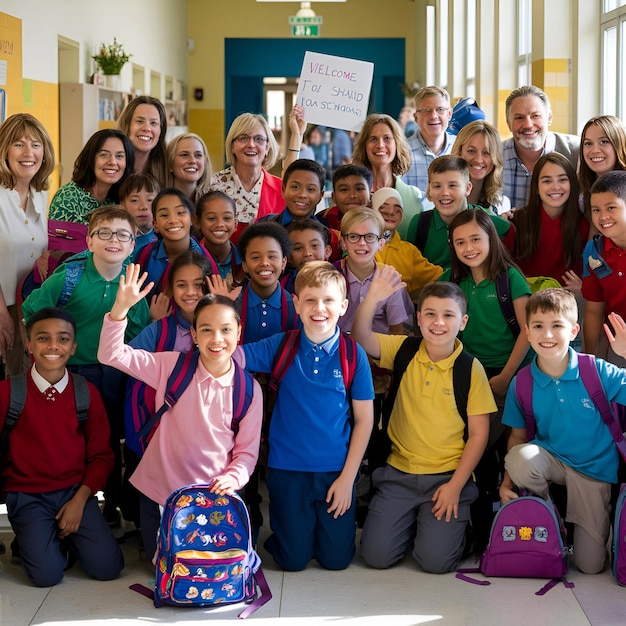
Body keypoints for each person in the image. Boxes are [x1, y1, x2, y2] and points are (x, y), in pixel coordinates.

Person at [98, 265, 263, 559]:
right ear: (194, 335)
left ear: (238, 333)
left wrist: (233, 478)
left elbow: (247, 453)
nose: (216, 339)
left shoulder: (248, 389)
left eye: (226, 330)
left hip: (212, 496)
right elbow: (111, 355)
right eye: (206, 330)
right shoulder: (170, 365)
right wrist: (119, 310)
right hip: (159, 491)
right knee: (166, 567)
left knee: (206, 571)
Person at [353, 272, 495, 573]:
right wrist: (374, 298)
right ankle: (414, 521)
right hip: (398, 474)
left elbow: (479, 437)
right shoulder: (403, 349)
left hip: (447, 478)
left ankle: (453, 530)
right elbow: (361, 336)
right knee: (376, 557)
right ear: (418, 318)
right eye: (430, 314)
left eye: (448, 315)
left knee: (435, 562)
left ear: (463, 322)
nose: (438, 322)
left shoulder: (471, 369)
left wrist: (456, 486)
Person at [237, 261, 374, 570]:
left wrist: (348, 478)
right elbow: (232, 356)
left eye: (328, 300)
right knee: (292, 561)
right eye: (310, 300)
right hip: (287, 471)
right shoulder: (281, 345)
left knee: (336, 560)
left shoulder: (353, 355)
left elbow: (365, 421)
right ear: (296, 304)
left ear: (343, 306)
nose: (319, 308)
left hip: (336, 472)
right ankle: (292, 535)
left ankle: (313, 532)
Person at [22, 205, 151, 525]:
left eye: (123, 235)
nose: (114, 240)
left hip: (114, 375)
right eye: (104, 233)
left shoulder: (133, 284)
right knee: (70, 437)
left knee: (108, 439)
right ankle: (67, 501)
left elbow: (140, 333)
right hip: (73, 372)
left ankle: (111, 506)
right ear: (90, 241)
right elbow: (32, 311)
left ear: (133, 245)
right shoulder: (68, 278)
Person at [500, 288, 626, 574]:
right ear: (527, 333)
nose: (547, 335)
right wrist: (507, 482)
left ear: (573, 331)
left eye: (557, 326)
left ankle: (584, 530)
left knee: (590, 566)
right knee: (521, 457)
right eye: (538, 327)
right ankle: (550, 517)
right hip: (551, 461)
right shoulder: (521, 382)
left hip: (594, 470)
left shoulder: (597, 370)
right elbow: (518, 438)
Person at [0, 307, 124, 586]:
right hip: (27, 495)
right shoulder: (8, 393)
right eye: (43, 338)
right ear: (29, 345)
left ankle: (57, 538)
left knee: (108, 567)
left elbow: (102, 456)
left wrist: (80, 501)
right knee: (46, 576)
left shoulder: (86, 392)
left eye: (63, 339)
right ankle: (35, 536)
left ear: (73, 346)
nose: (53, 345)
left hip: (74, 492)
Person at [442, 208, 531, 549]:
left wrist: (507, 376)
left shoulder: (510, 278)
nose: (469, 247)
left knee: (499, 449)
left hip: (510, 376)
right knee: (479, 451)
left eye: (476, 239)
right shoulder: (458, 281)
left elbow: (526, 331)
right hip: (473, 376)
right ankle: (480, 530)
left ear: (491, 239)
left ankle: (500, 526)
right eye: (460, 241)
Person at [0, 113, 55, 377]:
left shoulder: (41, 193)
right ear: (4, 150)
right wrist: (2, 313)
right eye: (18, 144)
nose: (28, 153)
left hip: (29, 306)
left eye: (36, 144)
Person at [407, 155, 515, 269]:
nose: (445, 193)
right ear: (429, 189)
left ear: (467, 188)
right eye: (437, 186)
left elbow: (512, 235)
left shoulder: (486, 220)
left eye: (452, 185)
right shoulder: (419, 225)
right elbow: (411, 269)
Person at [511, 152, 589, 290]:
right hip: (524, 301)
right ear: (536, 187)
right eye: (547, 181)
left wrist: (583, 288)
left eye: (562, 180)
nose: (555, 187)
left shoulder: (583, 225)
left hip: (565, 303)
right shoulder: (516, 221)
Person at [336, 207, 412, 335]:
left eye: (370, 237)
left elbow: (397, 331)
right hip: (339, 347)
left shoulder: (389, 278)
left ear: (381, 244)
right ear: (343, 242)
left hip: (378, 350)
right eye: (354, 237)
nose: (362, 243)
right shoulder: (330, 275)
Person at [502, 85, 579, 209]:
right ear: (509, 124)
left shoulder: (577, 152)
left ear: (549, 118)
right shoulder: (494, 156)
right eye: (519, 118)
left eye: (535, 116)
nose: (528, 124)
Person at [210, 113, 282, 242]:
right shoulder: (214, 185)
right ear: (232, 146)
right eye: (243, 138)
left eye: (259, 139)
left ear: (267, 147)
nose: (251, 145)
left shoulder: (282, 189)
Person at [132, 187, 214, 300]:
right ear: (155, 224)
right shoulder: (145, 255)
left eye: (180, 213)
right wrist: (151, 316)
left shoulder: (204, 258)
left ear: (192, 219)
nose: (173, 220)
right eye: (164, 215)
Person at [352, 114, 425, 239]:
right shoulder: (353, 195)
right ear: (364, 146)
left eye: (387, 138)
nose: (380, 145)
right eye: (373, 139)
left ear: (396, 144)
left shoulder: (414, 197)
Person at [581, 170, 626, 364]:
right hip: (616, 337)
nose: (603, 216)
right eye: (596, 209)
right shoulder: (594, 252)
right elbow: (593, 312)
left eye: (611, 208)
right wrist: (590, 361)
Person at [48, 129, 134, 224]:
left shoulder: (122, 198)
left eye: (119, 156)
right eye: (104, 155)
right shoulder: (68, 197)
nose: (113, 162)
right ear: (90, 159)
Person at [372, 187, 443, 299]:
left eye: (397, 210)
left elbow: (438, 276)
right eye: (383, 208)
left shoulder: (409, 252)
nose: (391, 213)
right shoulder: (362, 243)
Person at [236, 221, 299, 344]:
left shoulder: (295, 308)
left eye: (272, 257)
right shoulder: (233, 304)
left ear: (283, 262)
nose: (264, 263)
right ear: (245, 265)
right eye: (255, 257)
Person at [402, 86, 456, 193]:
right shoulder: (402, 152)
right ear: (416, 117)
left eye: (440, 110)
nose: (433, 116)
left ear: (449, 114)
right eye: (426, 110)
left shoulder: (462, 147)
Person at [451, 119, 511, 214]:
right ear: (459, 153)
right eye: (471, 151)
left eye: (486, 153)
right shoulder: (445, 196)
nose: (478, 160)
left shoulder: (501, 205)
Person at [578, 115, 626, 219]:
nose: (595, 150)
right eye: (588, 143)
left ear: (619, 144)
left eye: (604, 142)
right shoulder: (582, 194)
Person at [117, 95, 168, 185]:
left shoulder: (168, 168)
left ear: (161, 130)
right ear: (126, 125)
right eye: (139, 121)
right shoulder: (112, 166)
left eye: (153, 123)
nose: (147, 128)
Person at [195, 190, 243, 286]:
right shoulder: (192, 260)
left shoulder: (244, 262)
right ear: (198, 223)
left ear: (235, 224)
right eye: (211, 218)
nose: (220, 224)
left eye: (227, 218)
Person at [282, 218, 333, 294]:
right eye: (298, 248)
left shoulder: (337, 280)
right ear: (289, 257)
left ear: (326, 251)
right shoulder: (284, 285)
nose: (307, 253)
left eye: (314, 245)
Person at [320, 164, 373, 231]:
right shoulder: (323, 223)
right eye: (344, 190)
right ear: (334, 197)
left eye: (359, 189)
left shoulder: (381, 222)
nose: (352, 195)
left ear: (370, 195)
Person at [166, 132, 212, 204]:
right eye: (184, 155)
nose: (192, 161)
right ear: (170, 164)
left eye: (198, 155)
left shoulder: (213, 201)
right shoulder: (157, 200)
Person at [119, 173, 160, 252]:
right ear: (122, 205)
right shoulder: (115, 239)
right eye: (134, 200)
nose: (143, 207)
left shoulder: (164, 238)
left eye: (150, 200)